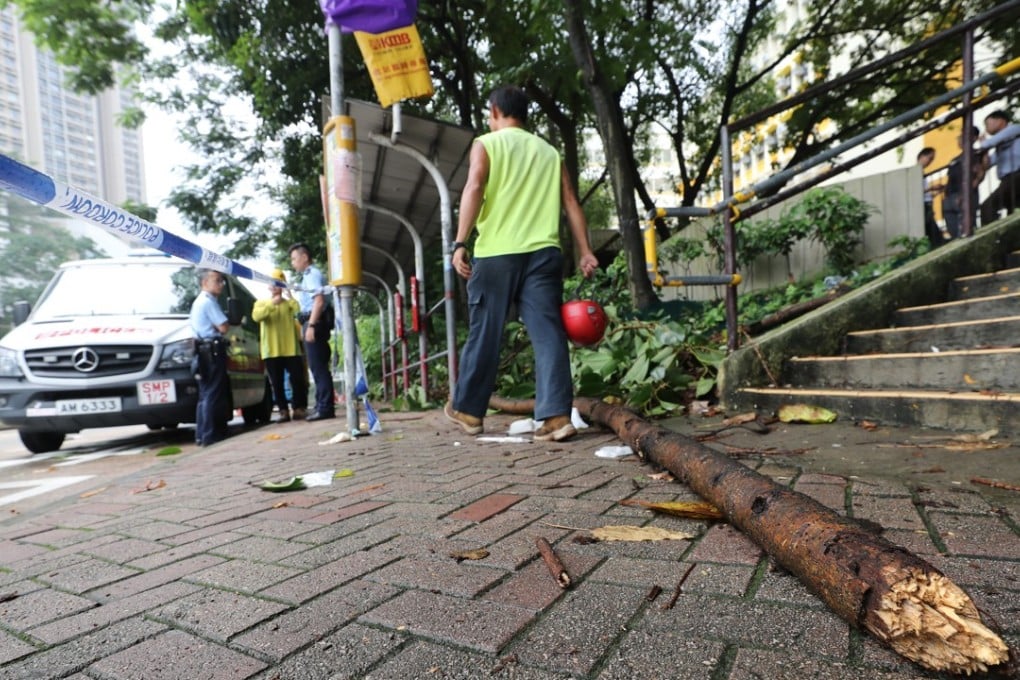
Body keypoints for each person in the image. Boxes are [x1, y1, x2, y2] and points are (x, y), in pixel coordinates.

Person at [445, 85, 599, 442]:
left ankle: (469, 411)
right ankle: (557, 417)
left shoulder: (487, 143)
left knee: (486, 330)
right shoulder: (549, 152)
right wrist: (585, 250)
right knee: (548, 332)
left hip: (497, 253)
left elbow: (474, 187)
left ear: (495, 111)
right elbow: (571, 202)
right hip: (544, 254)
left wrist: (460, 242)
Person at [251, 268, 308, 422]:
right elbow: (256, 317)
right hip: (271, 350)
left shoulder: (289, 304)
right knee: (276, 383)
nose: (276, 286)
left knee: (298, 380)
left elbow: (298, 311)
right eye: (273, 283)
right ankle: (283, 411)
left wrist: (290, 295)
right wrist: (272, 304)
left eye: (279, 283)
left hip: (291, 349)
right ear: (268, 285)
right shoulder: (261, 303)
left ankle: (299, 408)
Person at [289, 243, 334, 421]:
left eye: (294, 259)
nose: (293, 263)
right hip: (313, 321)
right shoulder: (308, 276)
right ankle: (321, 405)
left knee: (318, 367)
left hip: (315, 321)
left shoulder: (311, 274)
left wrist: (312, 325)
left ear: (304, 257)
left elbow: (319, 301)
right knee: (317, 367)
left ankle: (325, 408)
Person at [189, 269, 230, 446]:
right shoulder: (208, 301)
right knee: (213, 392)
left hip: (202, 350)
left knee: (205, 394)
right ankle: (211, 434)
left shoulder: (198, 301)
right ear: (205, 283)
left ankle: (201, 434)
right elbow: (224, 327)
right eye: (217, 281)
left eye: (221, 281)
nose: (221, 284)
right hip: (212, 350)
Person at [978, 110, 1020, 226]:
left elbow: (988, 143)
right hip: (1008, 179)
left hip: (1016, 175)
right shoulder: (1000, 144)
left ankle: (994, 233)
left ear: (1000, 121)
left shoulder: (1014, 129)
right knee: (1013, 211)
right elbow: (987, 164)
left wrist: (983, 144)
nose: (986, 128)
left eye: (988, 123)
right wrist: (985, 152)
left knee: (988, 206)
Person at [942, 127, 985, 239]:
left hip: (965, 196)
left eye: (963, 136)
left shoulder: (977, 154)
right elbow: (950, 179)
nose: (960, 139)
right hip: (950, 197)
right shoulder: (955, 159)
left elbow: (980, 174)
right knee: (953, 232)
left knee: (967, 229)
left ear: (974, 138)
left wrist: (965, 194)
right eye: (960, 137)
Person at [917, 147, 943, 248]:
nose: (930, 162)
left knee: (932, 231)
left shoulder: (922, 172)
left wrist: (936, 192)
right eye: (929, 158)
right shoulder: (916, 171)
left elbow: (925, 194)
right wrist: (932, 188)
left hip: (927, 204)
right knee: (932, 231)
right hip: (924, 206)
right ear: (921, 156)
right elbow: (916, 191)